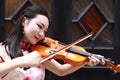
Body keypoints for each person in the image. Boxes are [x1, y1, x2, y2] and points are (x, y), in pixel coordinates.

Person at [0, 5, 105, 80]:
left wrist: (85, 61)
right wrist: (22, 61)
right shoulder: (2, 50)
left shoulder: (39, 51)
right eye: (39, 26)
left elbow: (60, 70)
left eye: (45, 31)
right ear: (24, 21)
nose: (42, 34)